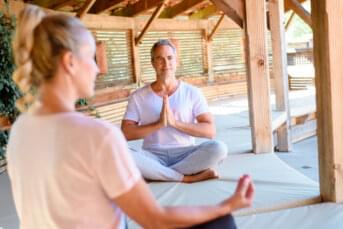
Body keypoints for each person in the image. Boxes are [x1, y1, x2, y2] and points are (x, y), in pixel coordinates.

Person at [7, 5, 254, 229]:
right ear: (70, 62)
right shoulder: (98, 135)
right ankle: (183, 179)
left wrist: (175, 123)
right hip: (150, 159)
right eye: (91, 58)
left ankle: (164, 173)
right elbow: (155, 219)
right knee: (222, 222)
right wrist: (226, 206)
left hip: (181, 154)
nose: (96, 68)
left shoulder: (20, 129)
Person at [121, 39, 228, 183]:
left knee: (219, 148)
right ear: (152, 63)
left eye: (170, 58)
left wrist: (175, 123)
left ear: (176, 61)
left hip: (185, 153)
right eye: (160, 59)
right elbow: (125, 133)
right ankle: (186, 177)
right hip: (152, 154)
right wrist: (158, 124)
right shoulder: (138, 96)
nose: (166, 64)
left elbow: (210, 131)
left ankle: (155, 173)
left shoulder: (192, 92)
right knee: (119, 152)